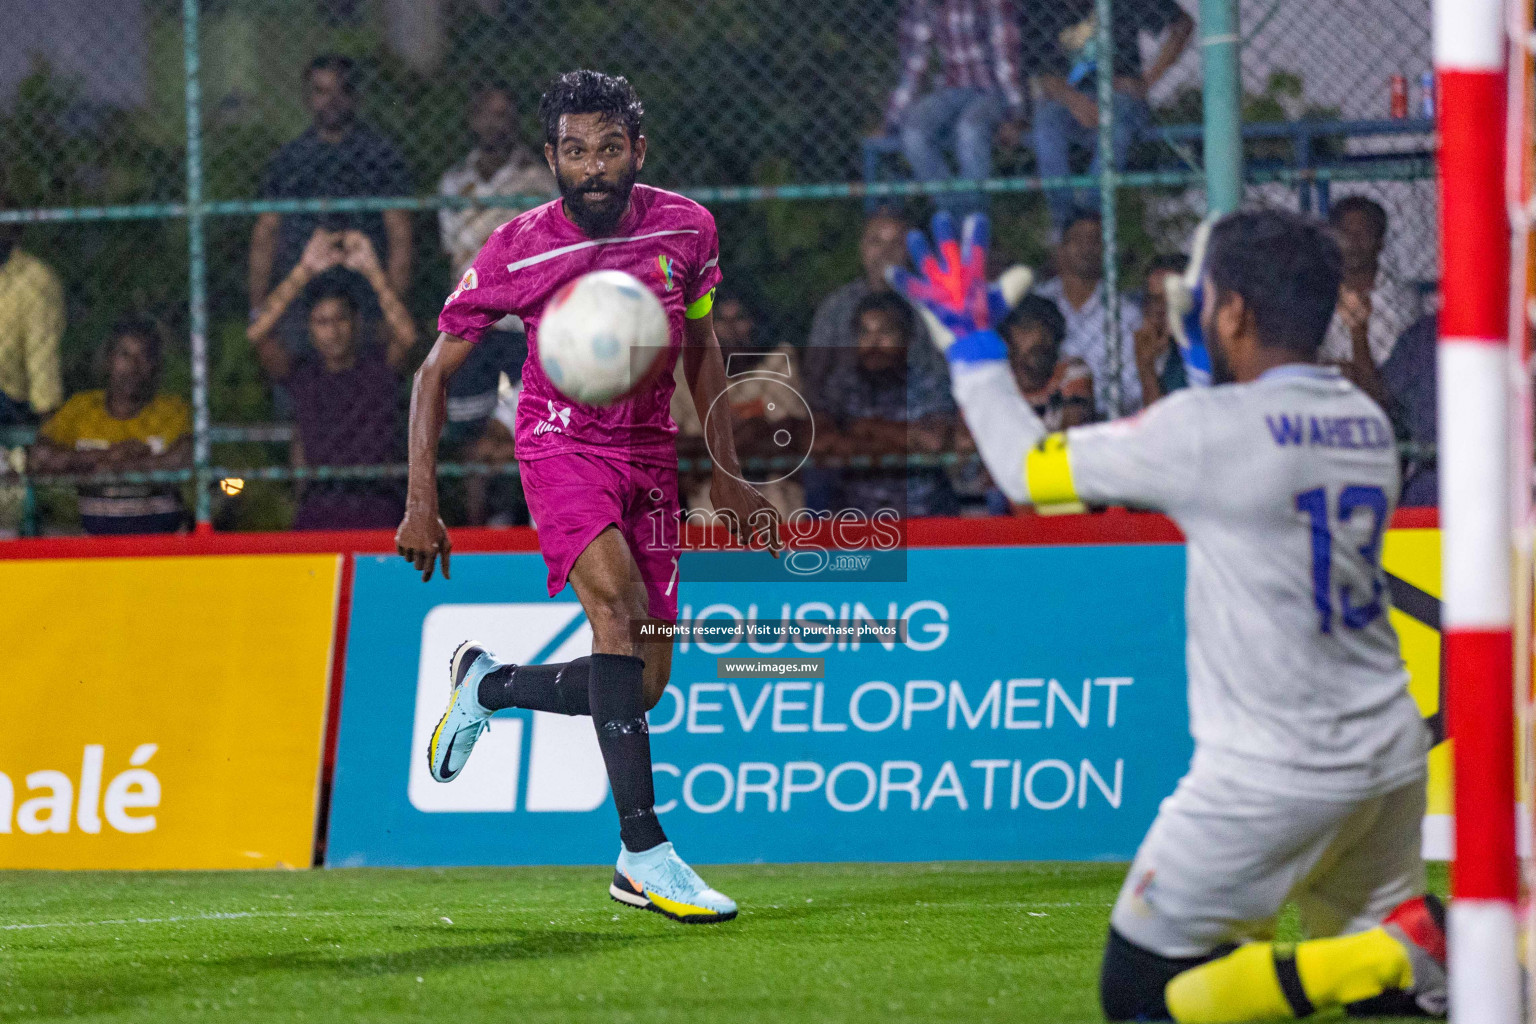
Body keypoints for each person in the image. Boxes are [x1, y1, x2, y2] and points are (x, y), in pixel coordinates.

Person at [893, 209, 1444, 1022]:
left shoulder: (1205, 432)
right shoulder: (1359, 418)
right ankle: (1391, 957)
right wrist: (1204, 367)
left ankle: (1394, 951)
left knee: (1143, 995)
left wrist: (971, 351)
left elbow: (1026, 470)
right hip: (1389, 755)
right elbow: (1257, 457)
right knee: (1389, 1009)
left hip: (1271, 774)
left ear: (1234, 312)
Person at [398, 71, 779, 924]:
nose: (593, 167)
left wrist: (728, 470)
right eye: (575, 151)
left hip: (650, 452)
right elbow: (433, 371)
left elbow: (704, 346)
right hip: (560, 442)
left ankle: (486, 688)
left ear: (637, 150)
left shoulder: (688, 227)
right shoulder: (516, 248)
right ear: (551, 159)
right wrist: (423, 500)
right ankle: (646, 853)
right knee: (613, 608)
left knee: (640, 683)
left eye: (609, 149)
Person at [248, 230, 417, 529]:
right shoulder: (302, 373)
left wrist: (372, 270)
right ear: (310, 329)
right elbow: (257, 334)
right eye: (322, 322)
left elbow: (408, 337)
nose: (333, 330)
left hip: (378, 501)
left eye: (340, 319)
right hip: (319, 503)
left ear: (356, 323)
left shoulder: (377, 366)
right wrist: (304, 270)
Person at [248, 54, 412, 350]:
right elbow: (266, 234)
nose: (332, 100)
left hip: (366, 303)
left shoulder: (379, 155)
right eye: (321, 91)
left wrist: (392, 306)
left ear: (355, 96)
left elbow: (399, 234)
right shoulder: (289, 159)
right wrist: (259, 309)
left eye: (341, 90)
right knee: (301, 390)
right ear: (307, 98)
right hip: (300, 304)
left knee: (370, 387)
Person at [802, 211, 955, 508]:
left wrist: (872, 429)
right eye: (875, 242)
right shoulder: (836, 307)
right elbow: (815, 382)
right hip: (849, 413)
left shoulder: (934, 305)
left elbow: (943, 390)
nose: (884, 253)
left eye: (896, 243)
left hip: (915, 411)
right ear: (861, 248)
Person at [438, 82, 556, 452]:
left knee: (520, 430)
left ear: (516, 120)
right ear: (473, 119)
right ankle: (478, 512)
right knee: (468, 433)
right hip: (471, 318)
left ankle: (514, 511)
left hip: (519, 322)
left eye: (503, 114)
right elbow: (455, 251)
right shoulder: (455, 182)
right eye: (487, 114)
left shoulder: (539, 181)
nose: (495, 123)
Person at [1029, 0, 1194, 233]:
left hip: (1120, 96)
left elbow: (1182, 25)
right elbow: (1040, 72)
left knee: (1118, 123)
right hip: (1069, 99)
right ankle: (1065, 222)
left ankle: (1090, 214)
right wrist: (1075, 101)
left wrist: (1148, 79)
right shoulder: (1043, 7)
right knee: (1046, 125)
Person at [32, 321, 190, 534]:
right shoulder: (82, 408)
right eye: (124, 355)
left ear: (155, 364)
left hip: (162, 537)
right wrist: (104, 456)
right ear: (108, 360)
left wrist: (120, 468)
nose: (134, 366)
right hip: (93, 537)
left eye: (143, 356)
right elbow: (39, 456)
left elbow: (184, 457)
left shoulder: (170, 410)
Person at [812, 291, 958, 517]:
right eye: (864, 333)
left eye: (886, 332)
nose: (874, 343)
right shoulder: (842, 387)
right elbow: (821, 443)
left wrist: (865, 429)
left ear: (907, 338)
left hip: (921, 514)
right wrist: (905, 438)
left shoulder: (928, 383)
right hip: (857, 517)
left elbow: (933, 442)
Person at [883, 0, 1028, 216]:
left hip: (993, 89)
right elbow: (913, 65)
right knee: (913, 131)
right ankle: (956, 216)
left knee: (970, 128)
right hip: (950, 89)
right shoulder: (921, 4)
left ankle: (973, 222)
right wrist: (892, 118)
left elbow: (1005, 57)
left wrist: (1016, 112)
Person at [670, 292, 807, 518]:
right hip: (710, 489)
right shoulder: (686, 371)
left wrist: (706, 448)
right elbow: (674, 441)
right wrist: (751, 432)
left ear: (755, 322)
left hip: (772, 484)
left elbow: (787, 433)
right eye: (722, 320)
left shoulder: (779, 361)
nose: (731, 329)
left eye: (740, 319)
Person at [1033, 208, 1143, 415]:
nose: (1087, 247)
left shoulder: (1126, 314)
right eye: (1077, 239)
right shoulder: (1038, 303)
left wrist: (1086, 412)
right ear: (1061, 249)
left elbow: (1133, 389)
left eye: (1094, 240)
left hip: (1105, 426)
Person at [1319, 196, 1416, 371]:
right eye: (1345, 233)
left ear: (1380, 241)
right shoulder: (1315, 293)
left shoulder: (1401, 298)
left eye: (1363, 233)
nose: (1353, 242)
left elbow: (1399, 373)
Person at [0, 193, 64, 425]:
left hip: (9, 397)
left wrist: (46, 418)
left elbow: (42, 356)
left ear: (15, 230)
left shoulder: (34, 279)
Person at [1133, 254, 1189, 405]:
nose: (1158, 309)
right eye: (1153, 299)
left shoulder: (1196, 351)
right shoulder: (1145, 345)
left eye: (1167, 300)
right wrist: (1146, 365)